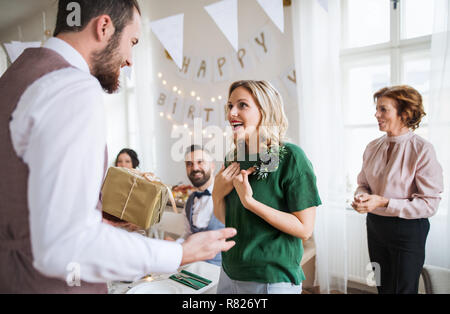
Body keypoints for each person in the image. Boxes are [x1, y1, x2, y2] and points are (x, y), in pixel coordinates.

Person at [0, 0, 236, 294]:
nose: (130, 59)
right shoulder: (72, 87)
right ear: (104, 27)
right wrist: (180, 254)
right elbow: (67, 242)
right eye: (132, 42)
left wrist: (94, 220)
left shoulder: (15, 77)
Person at [213, 80, 322, 294]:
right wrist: (217, 194)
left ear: (265, 110)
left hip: (271, 280)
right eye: (230, 105)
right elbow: (229, 220)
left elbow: (305, 229)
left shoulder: (292, 157)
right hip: (229, 274)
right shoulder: (233, 158)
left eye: (242, 105)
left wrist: (250, 202)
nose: (232, 112)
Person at [352, 85, 443, 294]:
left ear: (404, 113)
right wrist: (361, 198)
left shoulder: (422, 150)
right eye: (377, 109)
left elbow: (430, 204)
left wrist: (383, 202)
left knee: (403, 290)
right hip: (375, 226)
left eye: (383, 109)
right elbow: (363, 185)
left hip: (408, 231)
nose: (376, 114)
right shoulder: (372, 147)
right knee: (382, 286)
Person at [165, 145, 225, 266]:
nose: (195, 168)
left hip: (221, 271)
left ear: (212, 165)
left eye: (200, 162)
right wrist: (175, 245)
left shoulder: (227, 195)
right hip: (193, 267)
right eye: (189, 164)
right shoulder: (190, 201)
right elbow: (189, 235)